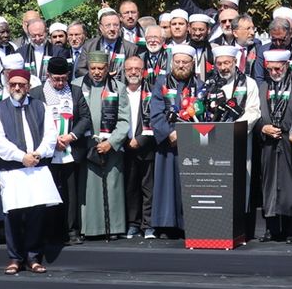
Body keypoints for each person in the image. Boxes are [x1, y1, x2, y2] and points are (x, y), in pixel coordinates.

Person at [0, 68, 61, 274]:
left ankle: (33, 256)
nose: (17, 88)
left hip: (36, 167)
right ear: (8, 86)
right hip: (12, 169)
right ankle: (15, 258)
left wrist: (37, 153)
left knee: (37, 213)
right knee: (13, 214)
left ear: (28, 87)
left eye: (21, 84)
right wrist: (21, 156)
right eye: (13, 84)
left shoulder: (40, 106)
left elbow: (50, 134)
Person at [31, 56, 90, 244]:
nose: (60, 83)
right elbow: (33, 121)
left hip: (69, 151)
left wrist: (71, 136)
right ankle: (50, 233)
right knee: (49, 193)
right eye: (56, 79)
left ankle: (71, 230)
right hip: (48, 152)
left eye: (64, 79)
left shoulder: (75, 91)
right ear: (48, 75)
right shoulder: (37, 93)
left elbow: (85, 118)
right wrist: (51, 140)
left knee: (71, 194)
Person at [149, 45, 205, 235]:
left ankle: (188, 225)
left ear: (192, 63)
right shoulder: (161, 83)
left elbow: (203, 114)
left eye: (185, 62)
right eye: (177, 62)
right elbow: (155, 112)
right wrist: (169, 133)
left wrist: (184, 133)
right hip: (167, 143)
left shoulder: (200, 86)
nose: (181, 65)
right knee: (166, 185)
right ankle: (166, 225)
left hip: (191, 143)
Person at [78, 52, 131, 239]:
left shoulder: (118, 87)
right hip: (86, 146)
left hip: (110, 146)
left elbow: (124, 120)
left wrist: (112, 142)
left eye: (100, 68)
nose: (96, 72)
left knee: (112, 185)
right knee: (88, 189)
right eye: (93, 68)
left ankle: (113, 228)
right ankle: (89, 228)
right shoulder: (77, 85)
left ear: (107, 68)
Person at [256, 49, 292, 243]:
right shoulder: (263, 86)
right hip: (268, 140)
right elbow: (256, 113)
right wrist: (263, 127)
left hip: (290, 140)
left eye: (278, 68)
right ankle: (272, 228)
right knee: (269, 184)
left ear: (286, 65)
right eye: (270, 69)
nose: (274, 73)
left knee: (291, 185)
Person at [118, 55, 157, 239]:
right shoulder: (118, 91)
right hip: (124, 146)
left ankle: (148, 224)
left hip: (147, 145)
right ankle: (133, 223)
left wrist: (140, 139)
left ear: (143, 71)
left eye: (137, 69)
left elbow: (156, 118)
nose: (133, 72)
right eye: (129, 69)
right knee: (130, 187)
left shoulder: (152, 91)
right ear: (124, 71)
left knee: (148, 188)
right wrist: (124, 140)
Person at [77, 8, 138, 79]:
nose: (112, 29)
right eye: (108, 25)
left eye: (115, 25)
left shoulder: (131, 48)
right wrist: (98, 76)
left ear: (120, 26)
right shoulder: (89, 46)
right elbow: (80, 70)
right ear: (100, 27)